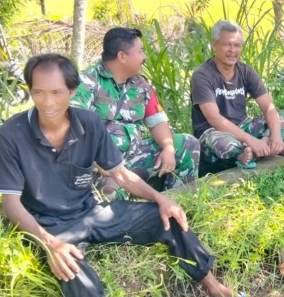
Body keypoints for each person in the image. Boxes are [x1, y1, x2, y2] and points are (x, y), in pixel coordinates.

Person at [0, 53, 239, 297]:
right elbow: (11, 203)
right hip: (51, 224)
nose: (48, 102)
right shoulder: (12, 135)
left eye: (56, 92)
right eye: (38, 92)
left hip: (92, 212)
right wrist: (50, 243)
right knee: (72, 272)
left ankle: (213, 286)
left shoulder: (89, 124)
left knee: (167, 218)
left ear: (71, 92)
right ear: (30, 92)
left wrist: (160, 199)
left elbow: (120, 174)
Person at [71, 27, 200, 192]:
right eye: (140, 52)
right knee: (111, 188)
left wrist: (168, 148)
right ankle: (129, 215)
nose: (144, 57)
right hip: (101, 166)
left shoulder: (141, 85)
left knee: (187, 144)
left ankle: (176, 205)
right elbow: (71, 122)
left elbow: (157, 121)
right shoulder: (87, 81)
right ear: (122, 56)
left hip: (134, 155)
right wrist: (97, 161)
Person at [190, 20, 284, 168]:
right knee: (222, 143)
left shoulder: (246, 71)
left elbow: (269, 108)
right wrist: (251, 140)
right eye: (227, 44)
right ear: (214, 45)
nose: (232, 50)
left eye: (237, 45)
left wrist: (273, 135)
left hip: (243, 126)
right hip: (214, 132)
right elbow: (215, 119)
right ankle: (250, 151)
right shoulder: (202, 75)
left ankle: (254, 151)